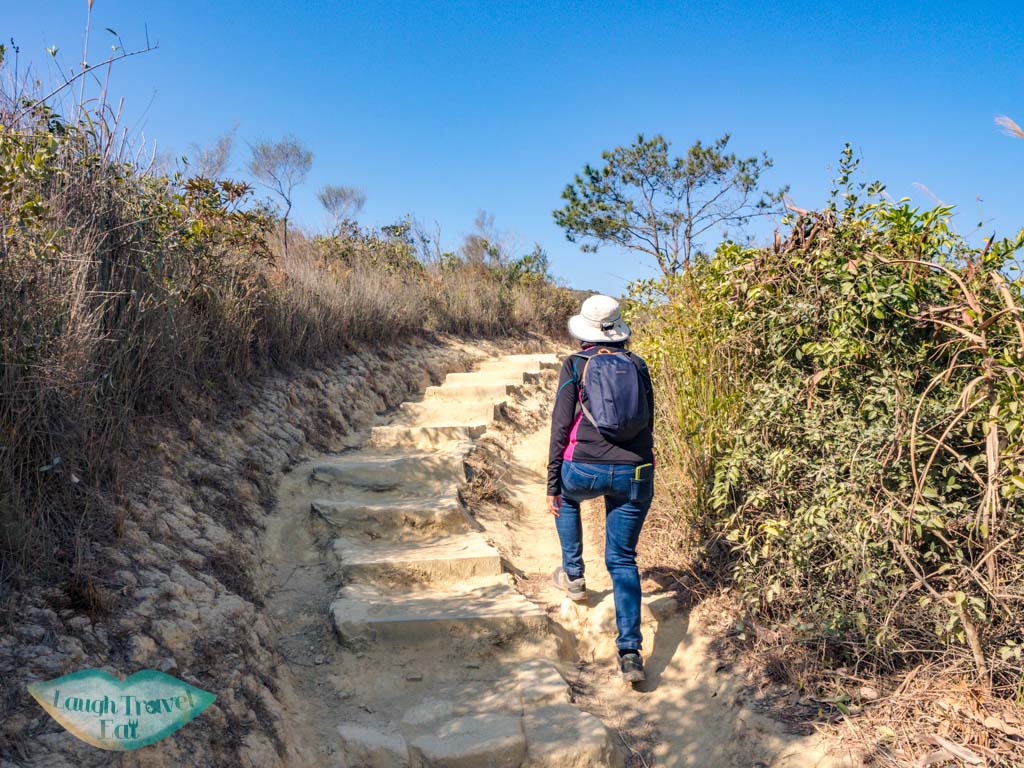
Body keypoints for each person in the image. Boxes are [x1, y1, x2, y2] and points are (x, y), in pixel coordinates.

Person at [547, 294, 655, 684]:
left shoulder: (576, 364)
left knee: (568, 498)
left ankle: (574, 575)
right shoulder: (638, 365)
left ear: (585, 332)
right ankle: (630, 654)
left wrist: (552, 483)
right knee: (623, 561)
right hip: (635, 472)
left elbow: (562, 426)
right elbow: (649, 423)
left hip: (584, 469)